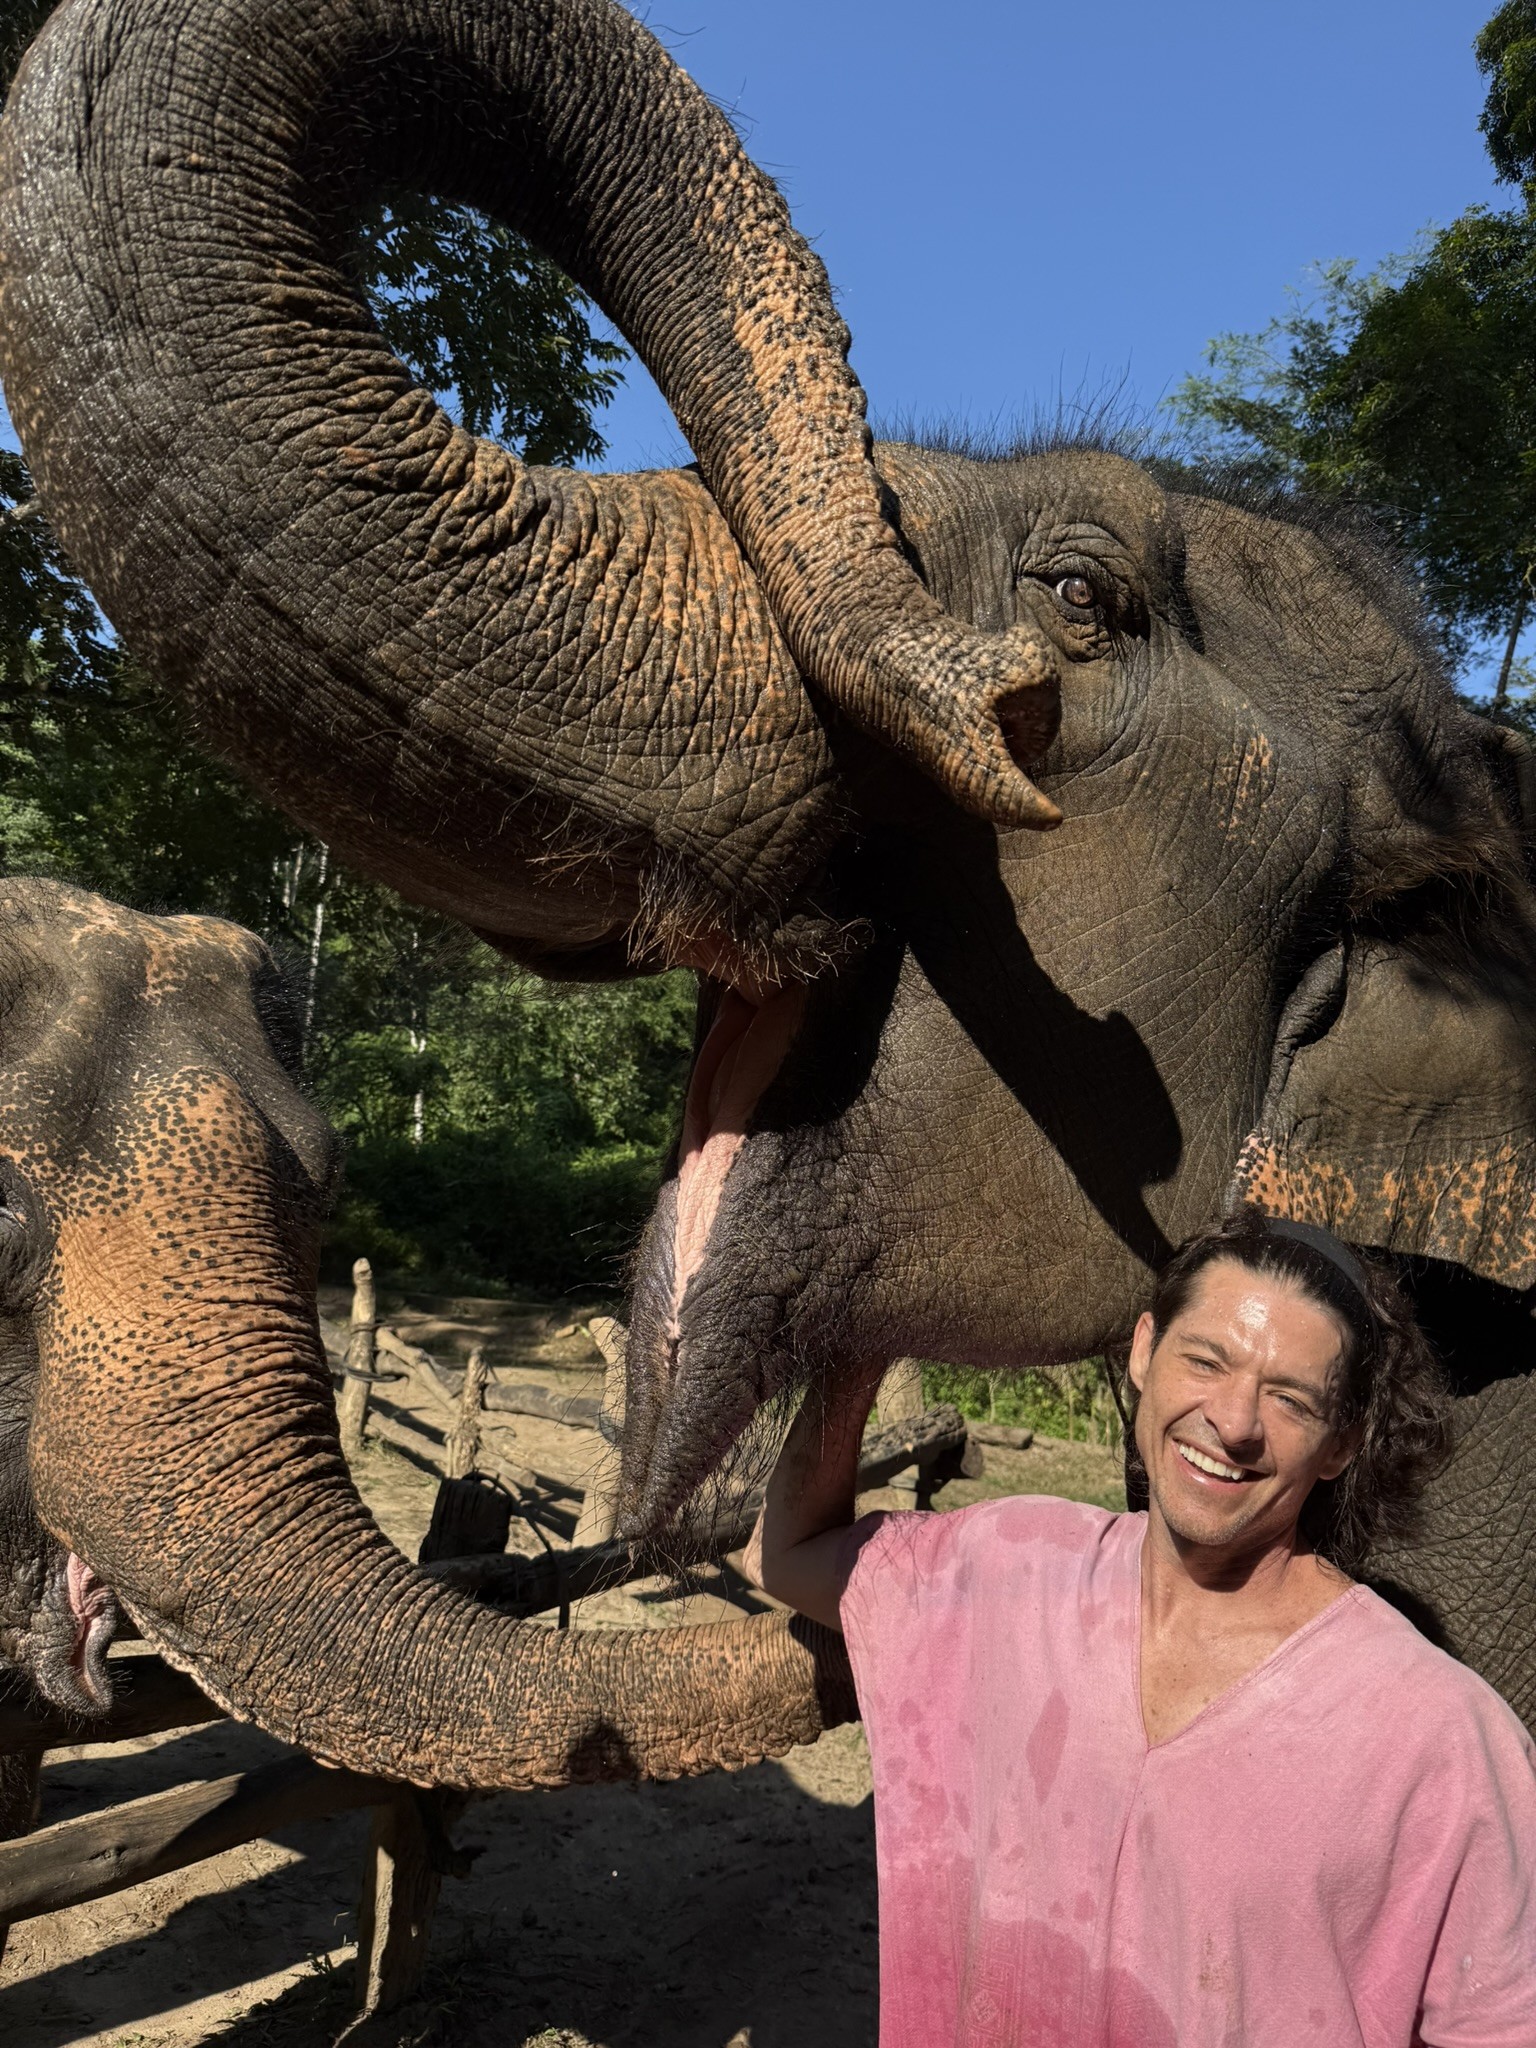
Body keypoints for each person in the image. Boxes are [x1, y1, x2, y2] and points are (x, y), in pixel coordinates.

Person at [744, 1206, 1536, 2047]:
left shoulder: (1440, 1738)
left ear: (1341, 1444)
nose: (1234, 1421)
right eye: (1206, 1360)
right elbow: (786, 1557)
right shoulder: (1009, 1565)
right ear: (1143, 1351)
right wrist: (860, 1342)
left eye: (1290, 1398)